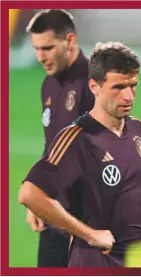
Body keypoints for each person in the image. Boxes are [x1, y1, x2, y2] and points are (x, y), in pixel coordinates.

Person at [18, 42, 141, 268]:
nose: (128, 96)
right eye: (118, 87)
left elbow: (138, 177)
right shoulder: (78, 137)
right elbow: (29, 194)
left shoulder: (137, 130)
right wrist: (89, 234)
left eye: (133, 85)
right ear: (94, 86)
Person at [24, 9, 95, 267]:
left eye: (48, 48)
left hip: (85, 220)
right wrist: (37, 199)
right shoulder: (49, 84)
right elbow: (51, 146)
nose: (40, 56)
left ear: (70, 40)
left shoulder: (94, 84)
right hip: (53, 217)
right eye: (36, 48)